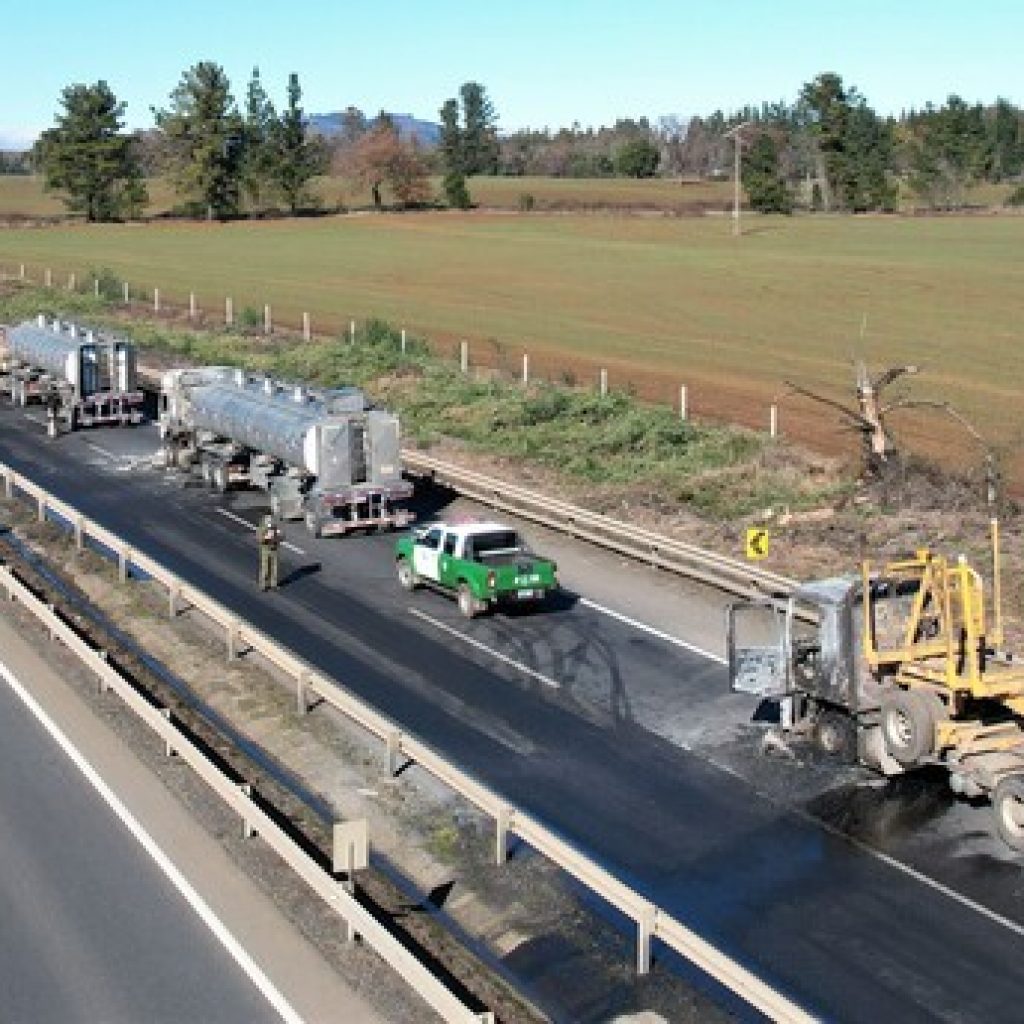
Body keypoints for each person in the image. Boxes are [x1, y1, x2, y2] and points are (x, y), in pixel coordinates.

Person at [257, 514, 283, 591]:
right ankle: (263, 585)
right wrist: (266, 537)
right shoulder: (262, 527)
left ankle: (273, 584)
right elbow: (259, 538)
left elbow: (282, 536)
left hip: (274, 548)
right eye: (268, 520)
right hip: (266, 549)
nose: (270, 522)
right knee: (265, 567)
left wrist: (279, 535)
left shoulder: (275, 526)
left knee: (274, 568)